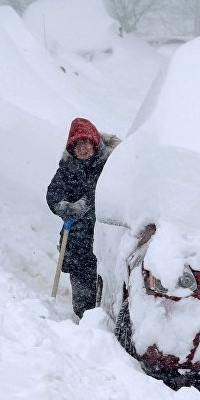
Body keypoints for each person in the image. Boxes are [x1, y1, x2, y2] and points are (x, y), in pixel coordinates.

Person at [46, 117, 121, 318]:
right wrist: (63, 207)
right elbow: (53, 193)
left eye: (86, 143)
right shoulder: (67, 167)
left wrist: (86, 204)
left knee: (105, 283)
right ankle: (83, 324)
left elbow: (111, 192)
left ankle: (105, 324)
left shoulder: (110, 164)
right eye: (78, 145)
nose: (83, 149)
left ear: (94, 143)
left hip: (104, 235)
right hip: (77, 238)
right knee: (81, 288)